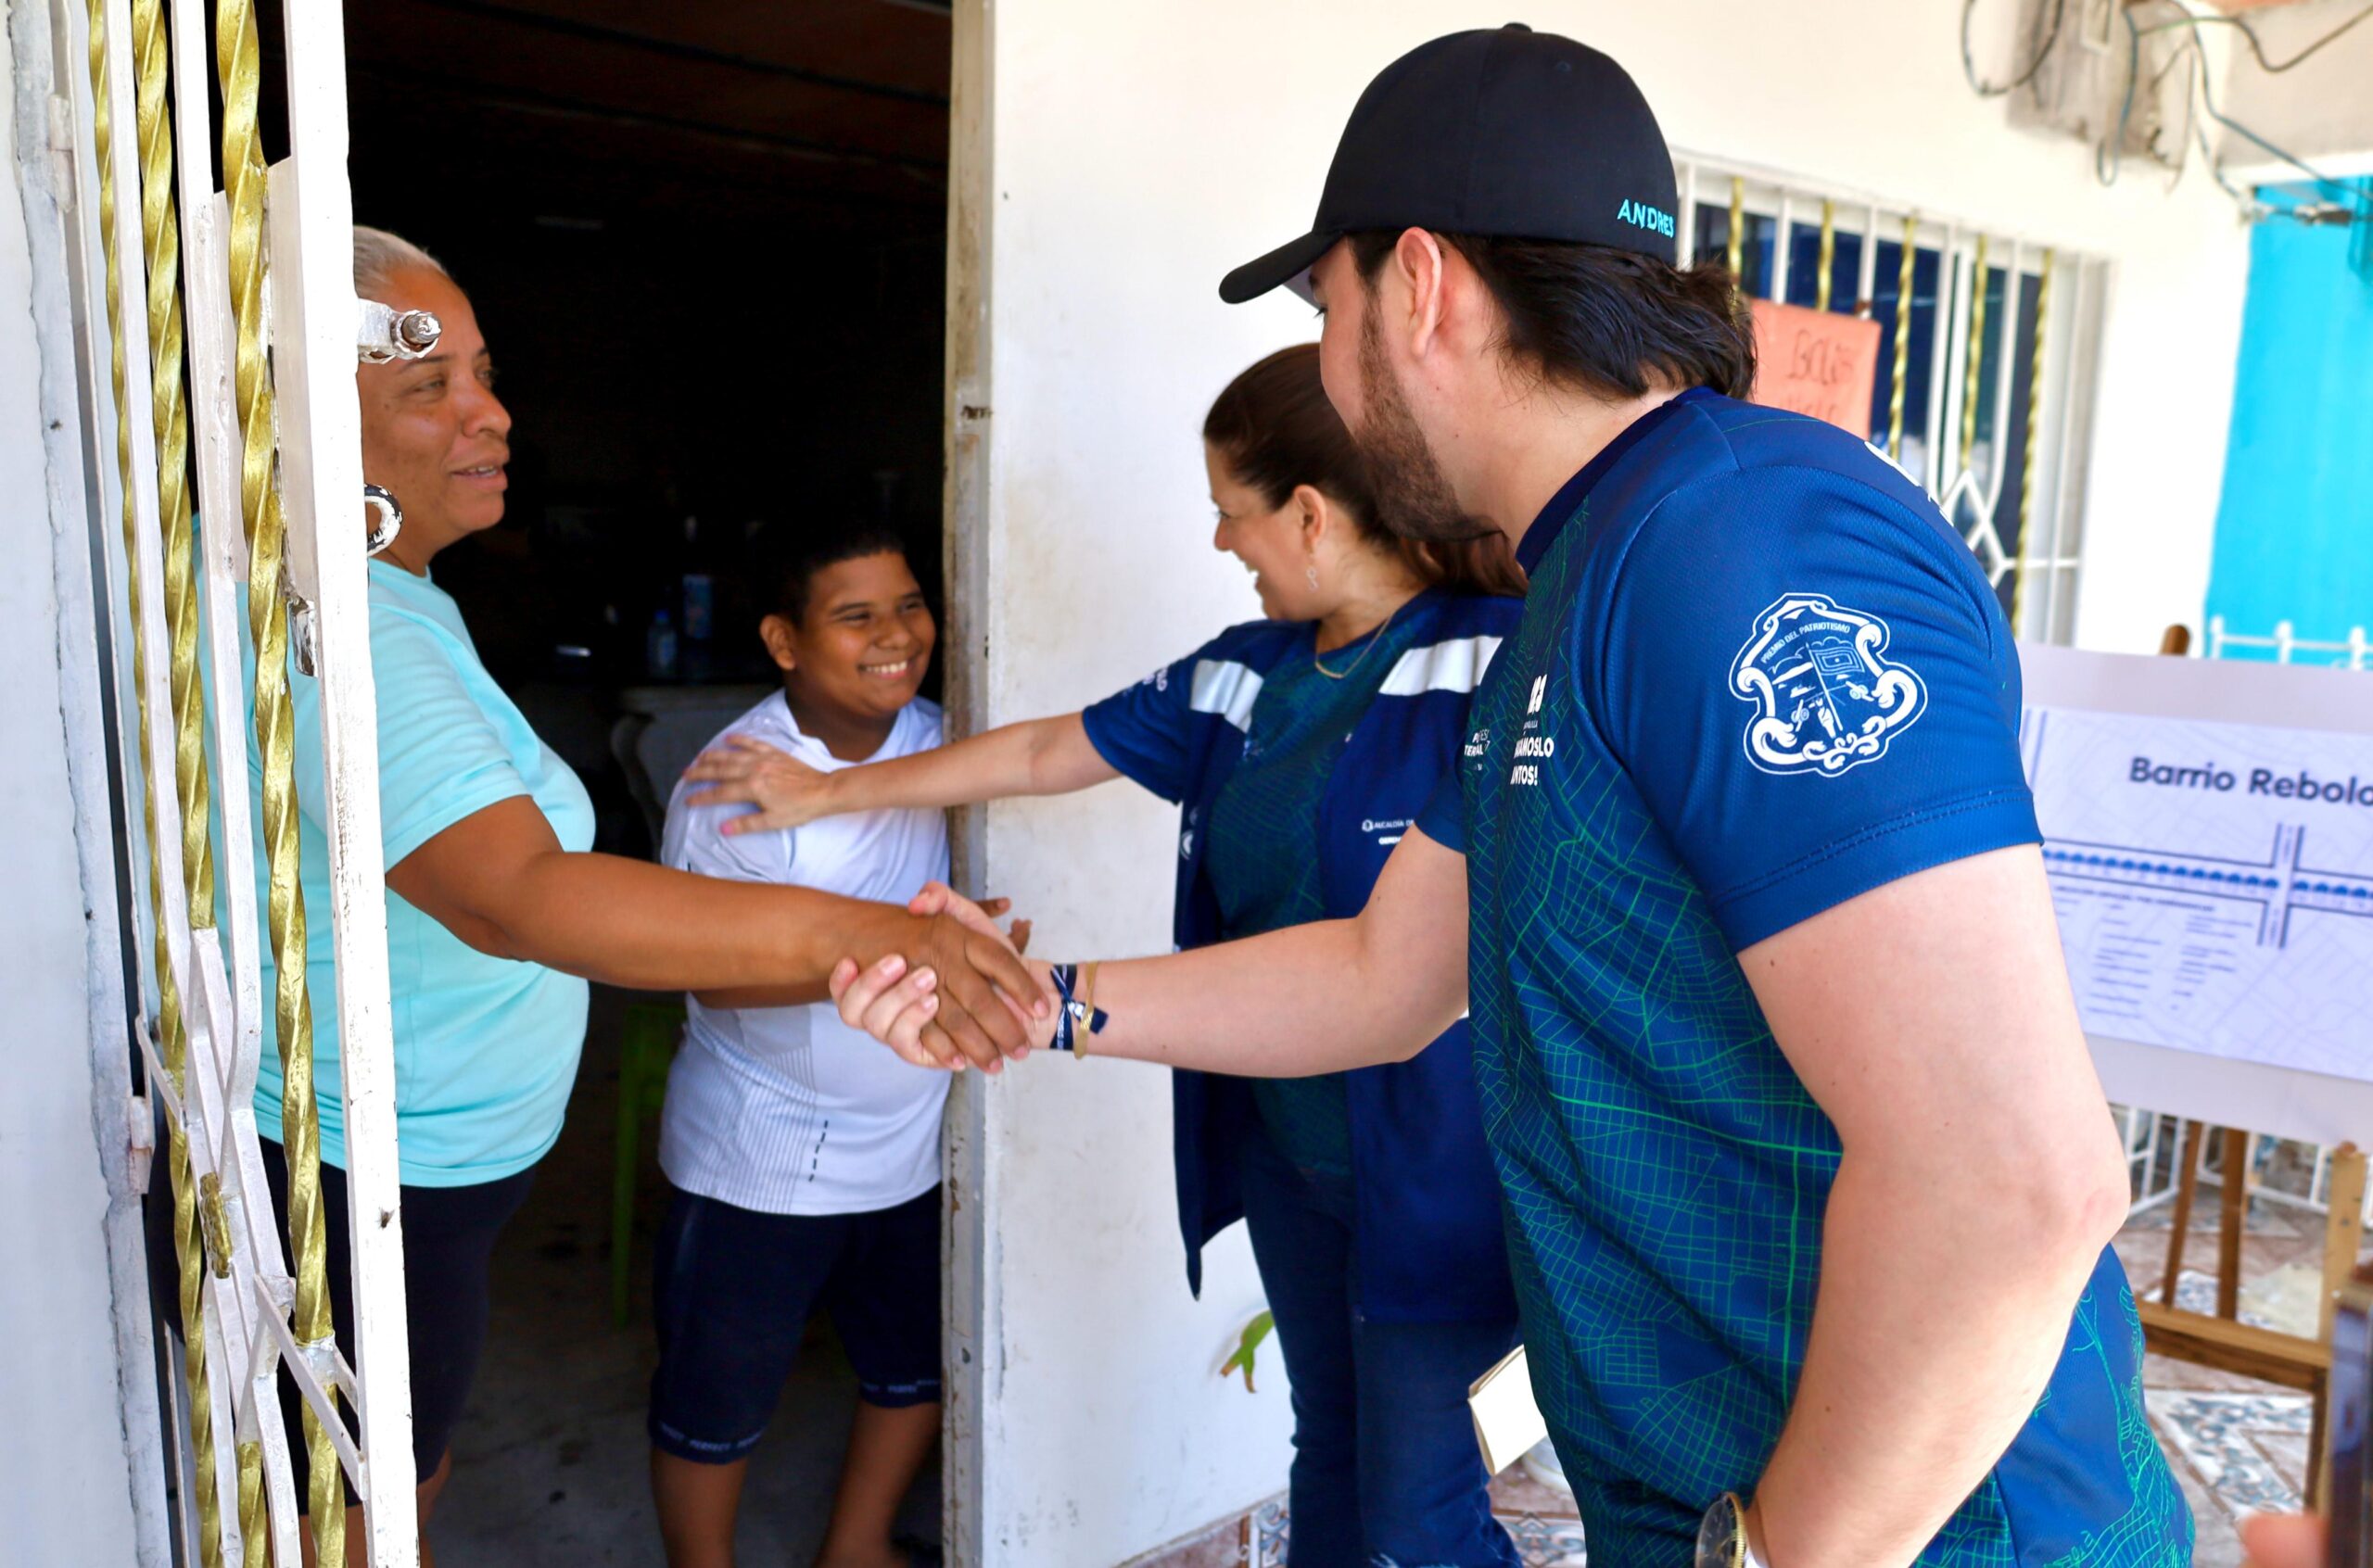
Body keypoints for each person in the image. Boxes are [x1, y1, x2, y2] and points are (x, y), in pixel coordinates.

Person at [829, 28, 2192, 1568]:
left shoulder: (1744, 541)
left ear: (1420, 287)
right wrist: (1039, 999)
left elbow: (2011, 1177)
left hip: (1936, 1530)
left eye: (1330, 312)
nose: (1335, 373)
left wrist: (1785, 1551)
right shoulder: (1583, 579)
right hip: (1726, 1498)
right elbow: (1382, 976)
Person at [237, 227, 1039, 1566]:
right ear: (305, 414)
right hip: (365, 1173)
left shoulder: (393, 603)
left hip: (418, 1173)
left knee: (384, 1495)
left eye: (484, 374)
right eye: (429, 386)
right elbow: (516, 896)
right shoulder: (350, 628)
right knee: (358, 1522)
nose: (492, 412)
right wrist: (874, 937)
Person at [684, 344, 1529, 1566]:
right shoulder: (1250, 672)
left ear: (1308, 512)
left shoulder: (1496, 665)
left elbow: (1395, 973)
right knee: (1330, 1452)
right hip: (1292, 1154)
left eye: (1231, 517)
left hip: (1444, 1172)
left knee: (1421, 1517)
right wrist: (833, 793)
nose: (1224, 546)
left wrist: (1036, 1002)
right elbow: (1041, 756)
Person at [648, 522, 972, 1568]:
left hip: (912, 1142)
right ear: (785, 642)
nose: (896, 635)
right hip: (761, 1158)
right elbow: (707, 969)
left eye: (909, 604)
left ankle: (857, 1546)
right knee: (715, 1399)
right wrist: (907, 963)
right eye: (857, 615)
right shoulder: (735, 779)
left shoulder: (948, 740)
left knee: (915, 1367)